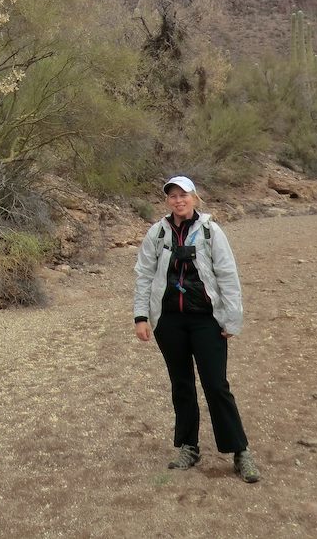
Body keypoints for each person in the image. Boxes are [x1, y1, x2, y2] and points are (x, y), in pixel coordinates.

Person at [132, 175, 261, 483]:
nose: (178, 200)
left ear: (194, 197)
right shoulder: (157, 233)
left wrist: (232, 319)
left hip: (206, 320)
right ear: (167, 201)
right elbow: (144, 274)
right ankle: (189, 447)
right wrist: (141, 316)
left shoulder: (210, 231)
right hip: (169, 321)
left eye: (184, 194)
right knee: (182, 385)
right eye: (173, 196)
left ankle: (239, 450)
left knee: (216, 385)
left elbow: (227, 275)